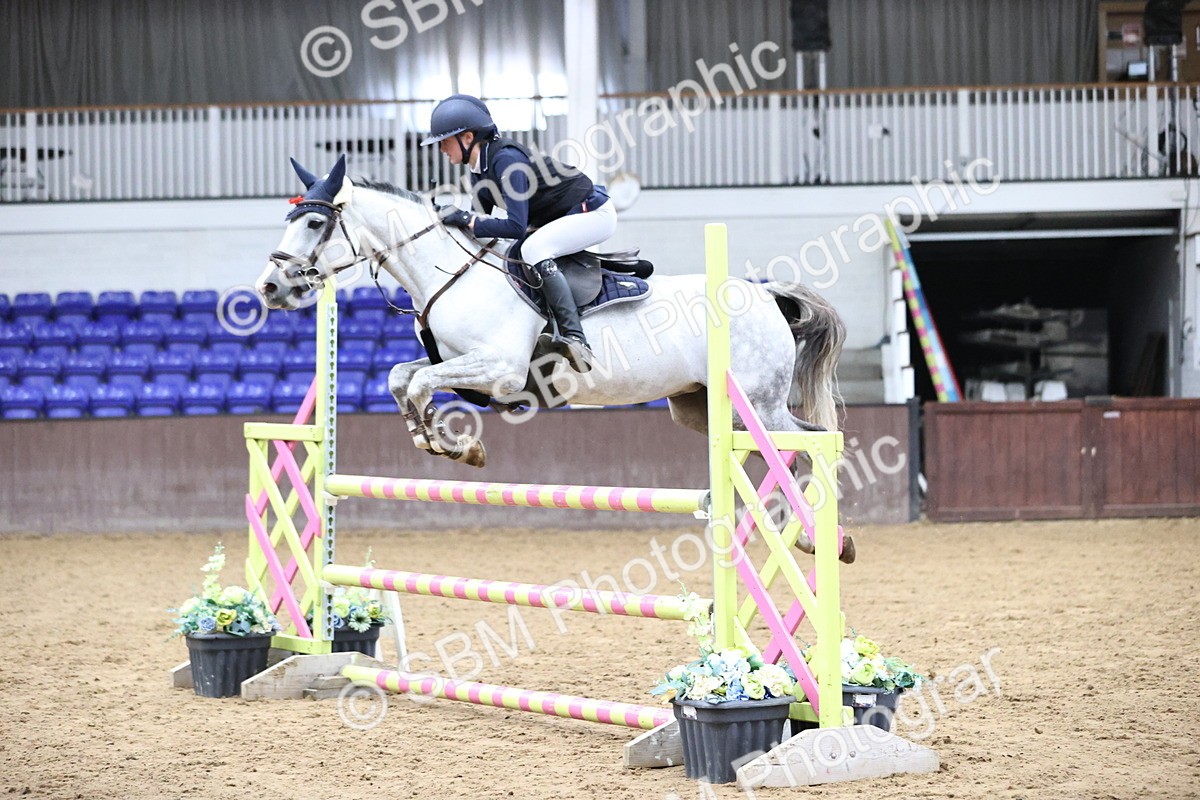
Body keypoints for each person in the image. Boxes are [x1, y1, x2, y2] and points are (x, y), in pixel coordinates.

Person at [421, 93, 616, 372]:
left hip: (592, 213)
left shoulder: (506, 161)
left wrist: (465, 218)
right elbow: (483, 231)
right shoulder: (479, 169)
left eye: (444, 141)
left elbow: (514, 226)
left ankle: (576, 338)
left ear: (467, 138)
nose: (441, 149)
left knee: (533, 249)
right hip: (559, 217)